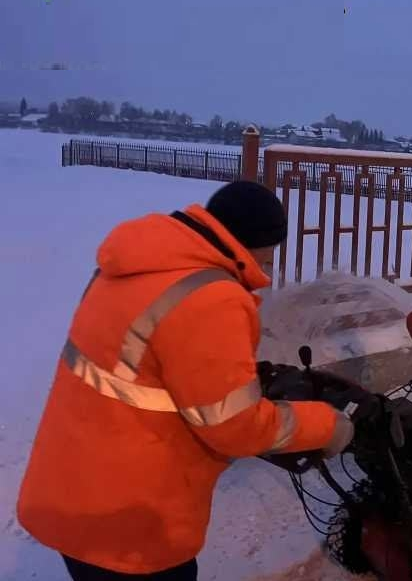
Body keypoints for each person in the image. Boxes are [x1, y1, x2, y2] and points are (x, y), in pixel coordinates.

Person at [17, 181, 354, 581]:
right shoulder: (212, 297)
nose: (268, 265)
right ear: (259, 246)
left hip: (69, 492)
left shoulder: (132, 265)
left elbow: (147, 370)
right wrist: (328, 425)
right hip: (131, 525)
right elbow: (237, 427)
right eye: (270, 254)